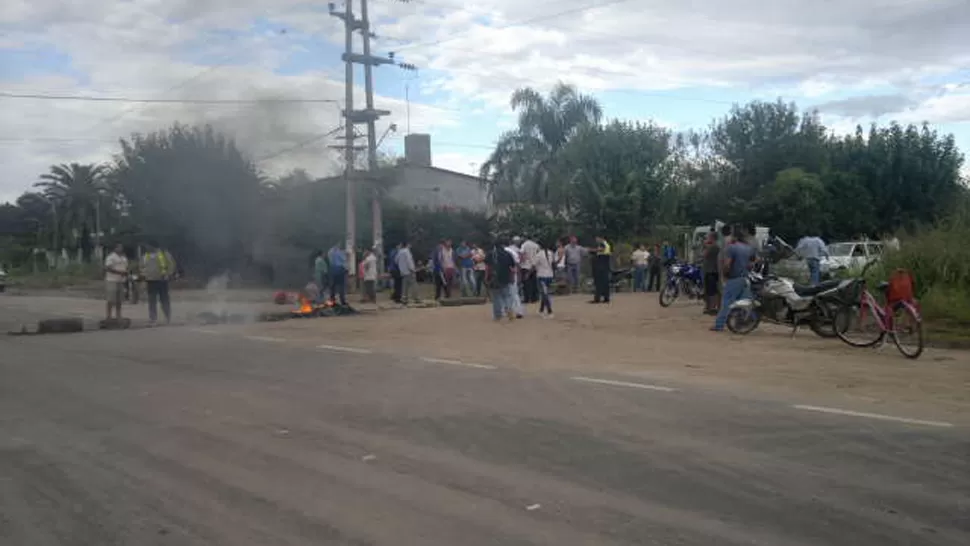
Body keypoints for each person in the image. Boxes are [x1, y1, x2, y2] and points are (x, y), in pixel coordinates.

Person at [712, 226, 756, 331]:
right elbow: (752, 263)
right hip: (744, 278)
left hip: (734, 278)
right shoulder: (748, 248)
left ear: (735, 237)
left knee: (727, 302)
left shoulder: (732, 247)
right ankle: (747, 322)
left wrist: (725, 273)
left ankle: (719, 325)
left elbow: (727, 264)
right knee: (745, 302)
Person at [141, 241, 176, 325]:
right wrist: (143, 276)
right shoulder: (146, 256)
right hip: (150, 280)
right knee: (152, 300)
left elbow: (171, 264)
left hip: (162, 280)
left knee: (164, 299)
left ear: (152, 246)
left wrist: (169, 274)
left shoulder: (164, 253)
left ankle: (168, 317)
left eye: (148, 246)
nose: (146, 248)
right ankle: (153, 319)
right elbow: (142, 267)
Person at [485, 237, 515, 321]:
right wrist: (512, 278)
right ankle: (509, 309)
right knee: (507, 296)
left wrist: (486, 277)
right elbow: (512, 267)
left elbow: (487, 267)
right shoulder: (508, 254)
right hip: (506, 277)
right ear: (503, 245)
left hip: (494, 278)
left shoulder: (490, 254)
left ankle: (498, 315)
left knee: (496, 297)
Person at [104, 242, 128, 320]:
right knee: (111, 299)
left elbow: (125, 268)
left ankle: (118, 315)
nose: (121, 249)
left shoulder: (124, 258)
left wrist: (126, 273)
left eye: (121, 247)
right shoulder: (111, 257)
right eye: (119, 247)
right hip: (112, 280)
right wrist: (119, 272)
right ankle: (108, 315)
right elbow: (108, 268)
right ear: (115, 248)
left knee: (119, 299)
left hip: (121, 280)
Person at [533, 240, 556, 318]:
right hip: (550, 275)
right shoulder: (551, 253)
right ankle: (541, 310)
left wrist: (528, 273)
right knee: (545, 293)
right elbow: (554, 264)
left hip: (541, 275)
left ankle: (550, 311)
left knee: (544, 294)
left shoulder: (539, 254)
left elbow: (534, 264)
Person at [702, 233, 721, 315]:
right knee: (712, 290)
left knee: (711, 291)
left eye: (708, 237)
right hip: (714, 270)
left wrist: (705, 245)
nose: (707, 239)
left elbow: (704, 255)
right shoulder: (717, 246)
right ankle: (711, 307)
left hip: (711, 271)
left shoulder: (713, 246)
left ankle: (712, 307)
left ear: (712, 238)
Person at [505, 237, 525, 318]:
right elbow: (518, 263)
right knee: (514, 293)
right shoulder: (514, 251)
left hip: (507, 274)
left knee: (508, 294)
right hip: (513, 274)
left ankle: (510, 311)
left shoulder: (506, 250)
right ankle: (518, 311)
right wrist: (519, 274)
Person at [589, 235, 612, 304]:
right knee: (605, 282)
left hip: (601, 265)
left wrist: (590, 250)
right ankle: (606, 298)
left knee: (599, 282)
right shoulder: (607, 244)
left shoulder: (603, 244)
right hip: (605, 264)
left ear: (601, 238)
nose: (596, 240)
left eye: (597, 239)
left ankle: (597, 298)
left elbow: (601, 250)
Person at [519, 235, 540, 303]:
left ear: (525, 238)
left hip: (526, 266)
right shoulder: (536, 245)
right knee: (534, 282)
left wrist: (521, 262)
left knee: (526, 283)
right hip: (534, 266)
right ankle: (534, 298)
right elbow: (538, 254)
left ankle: (527, 298)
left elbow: (522, 254)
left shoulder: (524, 245)